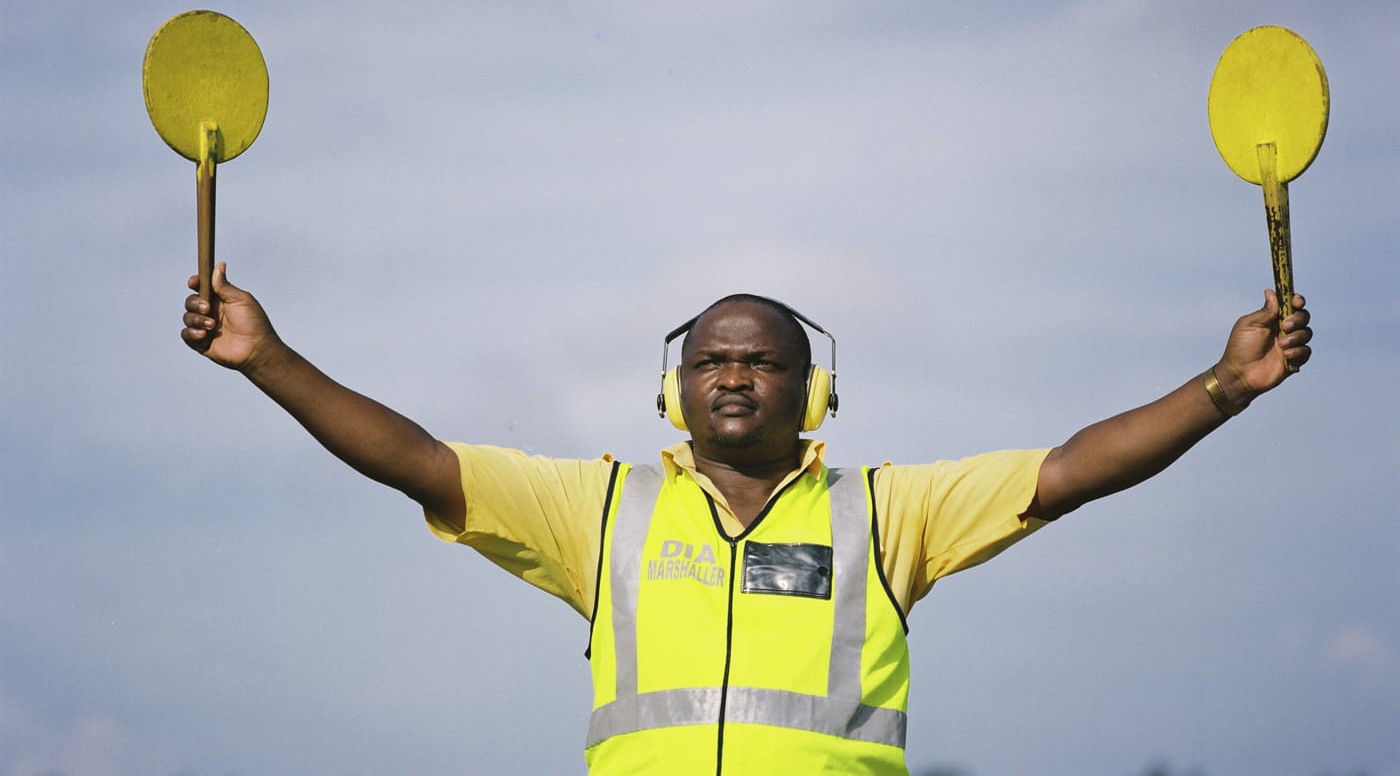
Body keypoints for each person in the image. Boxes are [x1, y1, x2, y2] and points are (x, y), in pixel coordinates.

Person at [180, 264, 1313, 775]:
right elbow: (422, 461)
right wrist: (266, 358)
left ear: (810, 391)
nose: (733, 376)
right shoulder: (603, 506)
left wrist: (1217, 386)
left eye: (762, 360)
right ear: (672, 388)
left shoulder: (886, 509)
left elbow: (1067, 469)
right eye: (711, 360)